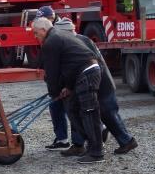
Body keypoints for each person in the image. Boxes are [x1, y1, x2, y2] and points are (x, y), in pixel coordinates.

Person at [52, 16, 138, 156]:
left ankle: (126, 140)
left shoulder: (79, 41)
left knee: (107, 113)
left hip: (100, 83)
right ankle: (79, 144)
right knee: (78, 110)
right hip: (96, 81)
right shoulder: (81, 40)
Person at [32, 17, 104, 164]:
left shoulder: (51, 42)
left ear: (44, 30)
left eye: (36, 33)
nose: (35, 36)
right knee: (72, 108)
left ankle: (96, 152)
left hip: (87, 71)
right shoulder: (59, 35)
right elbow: (69, 65)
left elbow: (52, 72)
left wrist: (54, 93)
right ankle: (88, 144)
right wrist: (68, 87)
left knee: (89, 112)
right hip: (83, 71)